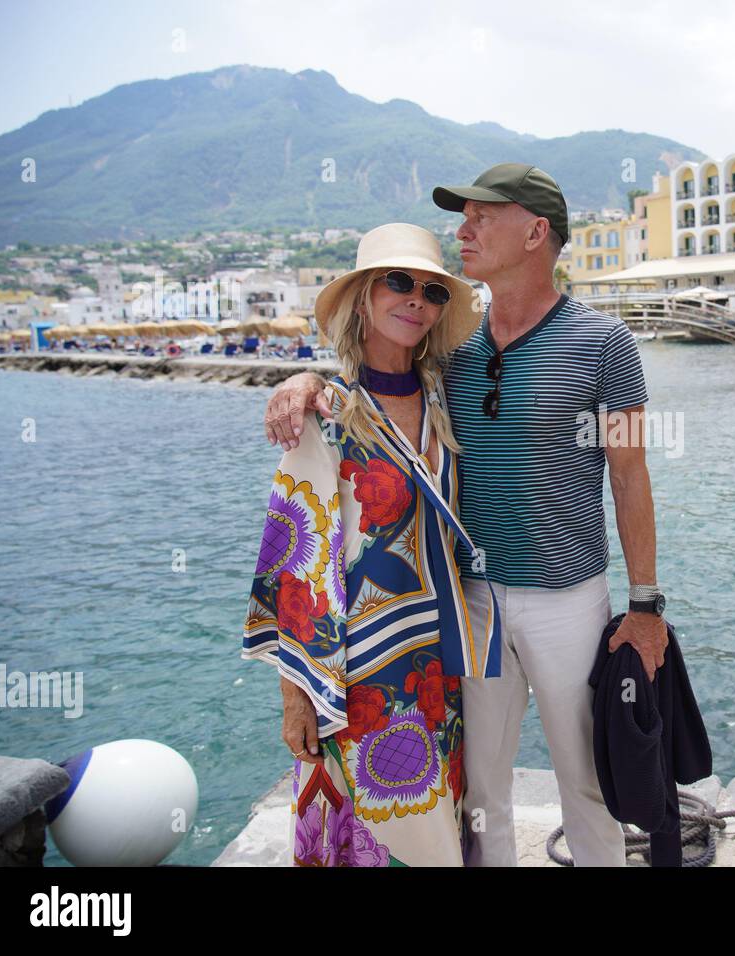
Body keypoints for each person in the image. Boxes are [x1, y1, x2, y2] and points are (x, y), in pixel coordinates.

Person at [264, 163, 668, 867]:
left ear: (536, 232)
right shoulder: (453, 353)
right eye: (464, 217)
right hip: (470, 600)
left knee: (589, 784)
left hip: (568, 599)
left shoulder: (607, 345)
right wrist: (303, 382)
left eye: (482, 216)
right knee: (481, 789)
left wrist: (645, 604)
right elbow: (370, 386)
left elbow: (630, 477)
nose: (464, 229)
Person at [242, 222, 501, 867]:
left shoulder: (448, 395)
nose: (416, 298)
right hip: (360, 670)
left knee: (437, 826)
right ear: (363, 296)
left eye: (432, 290)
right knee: (373, 836)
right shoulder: (327, 415)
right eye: (397, 282)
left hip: (440, 662)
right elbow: (290, 565)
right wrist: (295, 699)